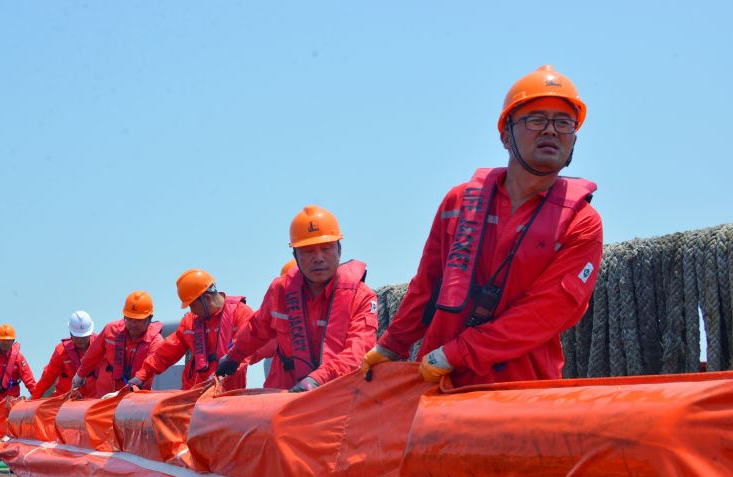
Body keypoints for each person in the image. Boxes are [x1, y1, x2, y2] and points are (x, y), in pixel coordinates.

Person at [361, 65, 603, 386]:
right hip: (440, 383)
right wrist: (392, 345)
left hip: (521, 391)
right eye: (536, 119)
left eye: (563, 122)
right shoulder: (458, 203)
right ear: (505, 135)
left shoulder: (581, 223)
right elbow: (427, 286)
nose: (551, 131)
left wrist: (458, 353)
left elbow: (547, 311)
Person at [215, 205, 378, 392]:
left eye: (326, 248)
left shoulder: (362, 297)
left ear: (339, 250)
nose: (318, 258)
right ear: (295, 255)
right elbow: (256, 329)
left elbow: (358, 352)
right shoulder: (280, 290)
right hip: (282, 394)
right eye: (308, 251)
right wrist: (233, 356)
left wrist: (315, 380)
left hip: (337, 394)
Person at [129, 269, 254, 391]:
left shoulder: (241, 314)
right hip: (191, 394)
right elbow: (166, 352)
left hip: (226, 394)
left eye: (192, 305)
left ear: (207, 298)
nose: (192, 311)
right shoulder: (190, 321)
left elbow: (244, 353)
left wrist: (219, 378)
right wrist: (141, 376)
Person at [72, 291, 164, 396]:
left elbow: (150, 367)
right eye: (129, 319)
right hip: (104, 396)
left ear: (149, 318)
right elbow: (92, 355)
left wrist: (123, 392)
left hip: (136, 398)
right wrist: (80, 374)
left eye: (138, 320)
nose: (133, 324)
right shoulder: (110, 330)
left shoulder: (156, 341)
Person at [31, 311, 99, 399]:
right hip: (67, 401)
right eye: (77, 337)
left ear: (90, 333)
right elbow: (47, 377)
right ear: (71, 334)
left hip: (95, 399)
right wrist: (33, 399)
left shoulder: (100, 345)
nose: (80, 340)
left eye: (84, 337)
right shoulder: (61, 351)